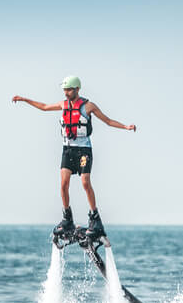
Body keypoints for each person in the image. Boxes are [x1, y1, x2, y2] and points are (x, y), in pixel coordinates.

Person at [12, 75, 136, 238]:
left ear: (77, 89)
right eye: (64, 90)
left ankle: (95, 218)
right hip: (68, 150)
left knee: (85, 182)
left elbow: (108, 121)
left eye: (69, 90)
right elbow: (44, 107)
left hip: (84, 150)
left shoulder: (88, 106)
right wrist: (24, 99)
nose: (66, 93)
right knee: (63, 184)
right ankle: (67, 219)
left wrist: (126, 127)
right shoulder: (63, 105)